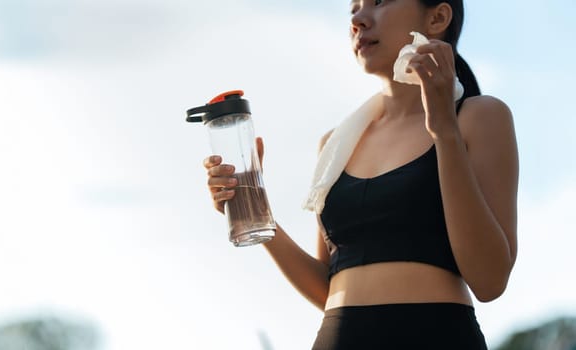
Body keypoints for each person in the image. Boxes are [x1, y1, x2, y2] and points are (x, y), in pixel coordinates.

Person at [202, 0, 518, 348]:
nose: (358, 19)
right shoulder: (336, 144)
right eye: (353, 7)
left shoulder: (480, 117)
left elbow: (490, 281)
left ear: (438, 17)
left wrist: (443, 131)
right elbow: (329, 287)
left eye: (379, 2)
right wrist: (252, 209)